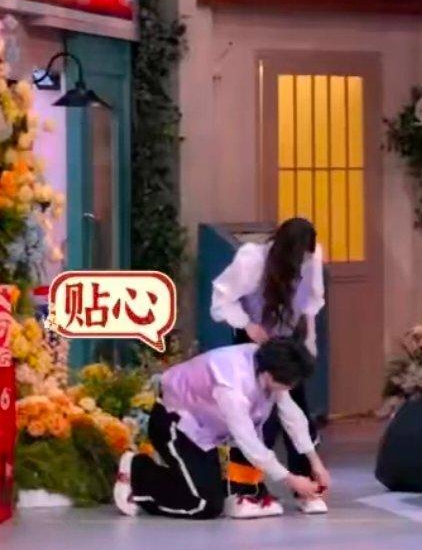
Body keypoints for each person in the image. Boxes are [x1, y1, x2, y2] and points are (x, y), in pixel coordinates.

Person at [112, 339, 331, 520]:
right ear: (270, 375)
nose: (289, 388)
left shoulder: (266, 362)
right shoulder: (231, 386)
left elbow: (293, 417)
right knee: (203, 505)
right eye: (289, 383)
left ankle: (234, 489)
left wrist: (315, 462)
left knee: (211, 495)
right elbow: (248, 442)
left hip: (206, 432)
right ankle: (138, 472)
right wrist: (291, 480)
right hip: (175, 424)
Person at [209, 217, 327, 517]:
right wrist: (248, 326)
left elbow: (311, 304)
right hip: (253, 342)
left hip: (289, 343)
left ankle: (306, 486)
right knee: (257, 418)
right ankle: (248, 489)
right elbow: (221, 299)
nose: (303, 264)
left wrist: (309, 343)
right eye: (298, 258)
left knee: (297, 410)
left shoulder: (312, 258)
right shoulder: (252, 259)